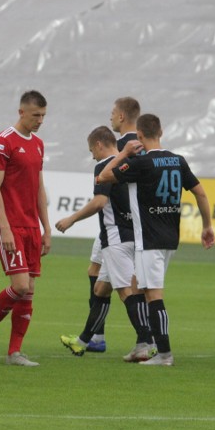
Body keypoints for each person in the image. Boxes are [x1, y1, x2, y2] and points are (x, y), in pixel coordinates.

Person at [97, 113, 215, 366]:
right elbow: (201, 193)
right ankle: (143, 344)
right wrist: (207, 226)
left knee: (153, 295)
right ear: (160, 132)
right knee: (136, 284)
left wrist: (124, 153)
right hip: (169, 237)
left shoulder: (141, 163)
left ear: (139, 136)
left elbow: (104, 176)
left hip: (148, 239)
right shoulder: (178, 161)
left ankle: (163, 354)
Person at [55, 126, 155, 361]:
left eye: (92, 150)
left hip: (116, 237)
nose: (92, 156)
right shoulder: (130, 163)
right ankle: (83, 341)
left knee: (126, 290)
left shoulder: (104, 167)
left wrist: (71, 219)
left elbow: (100, 201)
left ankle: (146, 341)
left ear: (99, 144)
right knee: (101, 289)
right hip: (135, 233)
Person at [0, 90, 51, 367]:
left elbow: (39, 189)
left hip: (32, 226)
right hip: (10, 225)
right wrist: (5, 228)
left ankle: (15, 352)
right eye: (35, 115)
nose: (40, 121)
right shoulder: (2, 143)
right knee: (19, 285)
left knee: (29, 289)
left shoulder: (39, 144)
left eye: (43, 116)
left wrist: (46, 228)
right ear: (21, 112)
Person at [81, 96, 144, 353]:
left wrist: (72, 219)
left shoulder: (120, 148)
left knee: (124, 285)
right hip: (126, 224)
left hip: (116, 225)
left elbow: (101, 196)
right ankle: (93, 336)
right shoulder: (143, 143)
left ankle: (145, 338)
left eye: (112, 113)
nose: (109, 117)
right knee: (98, 278)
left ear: (120, 117)